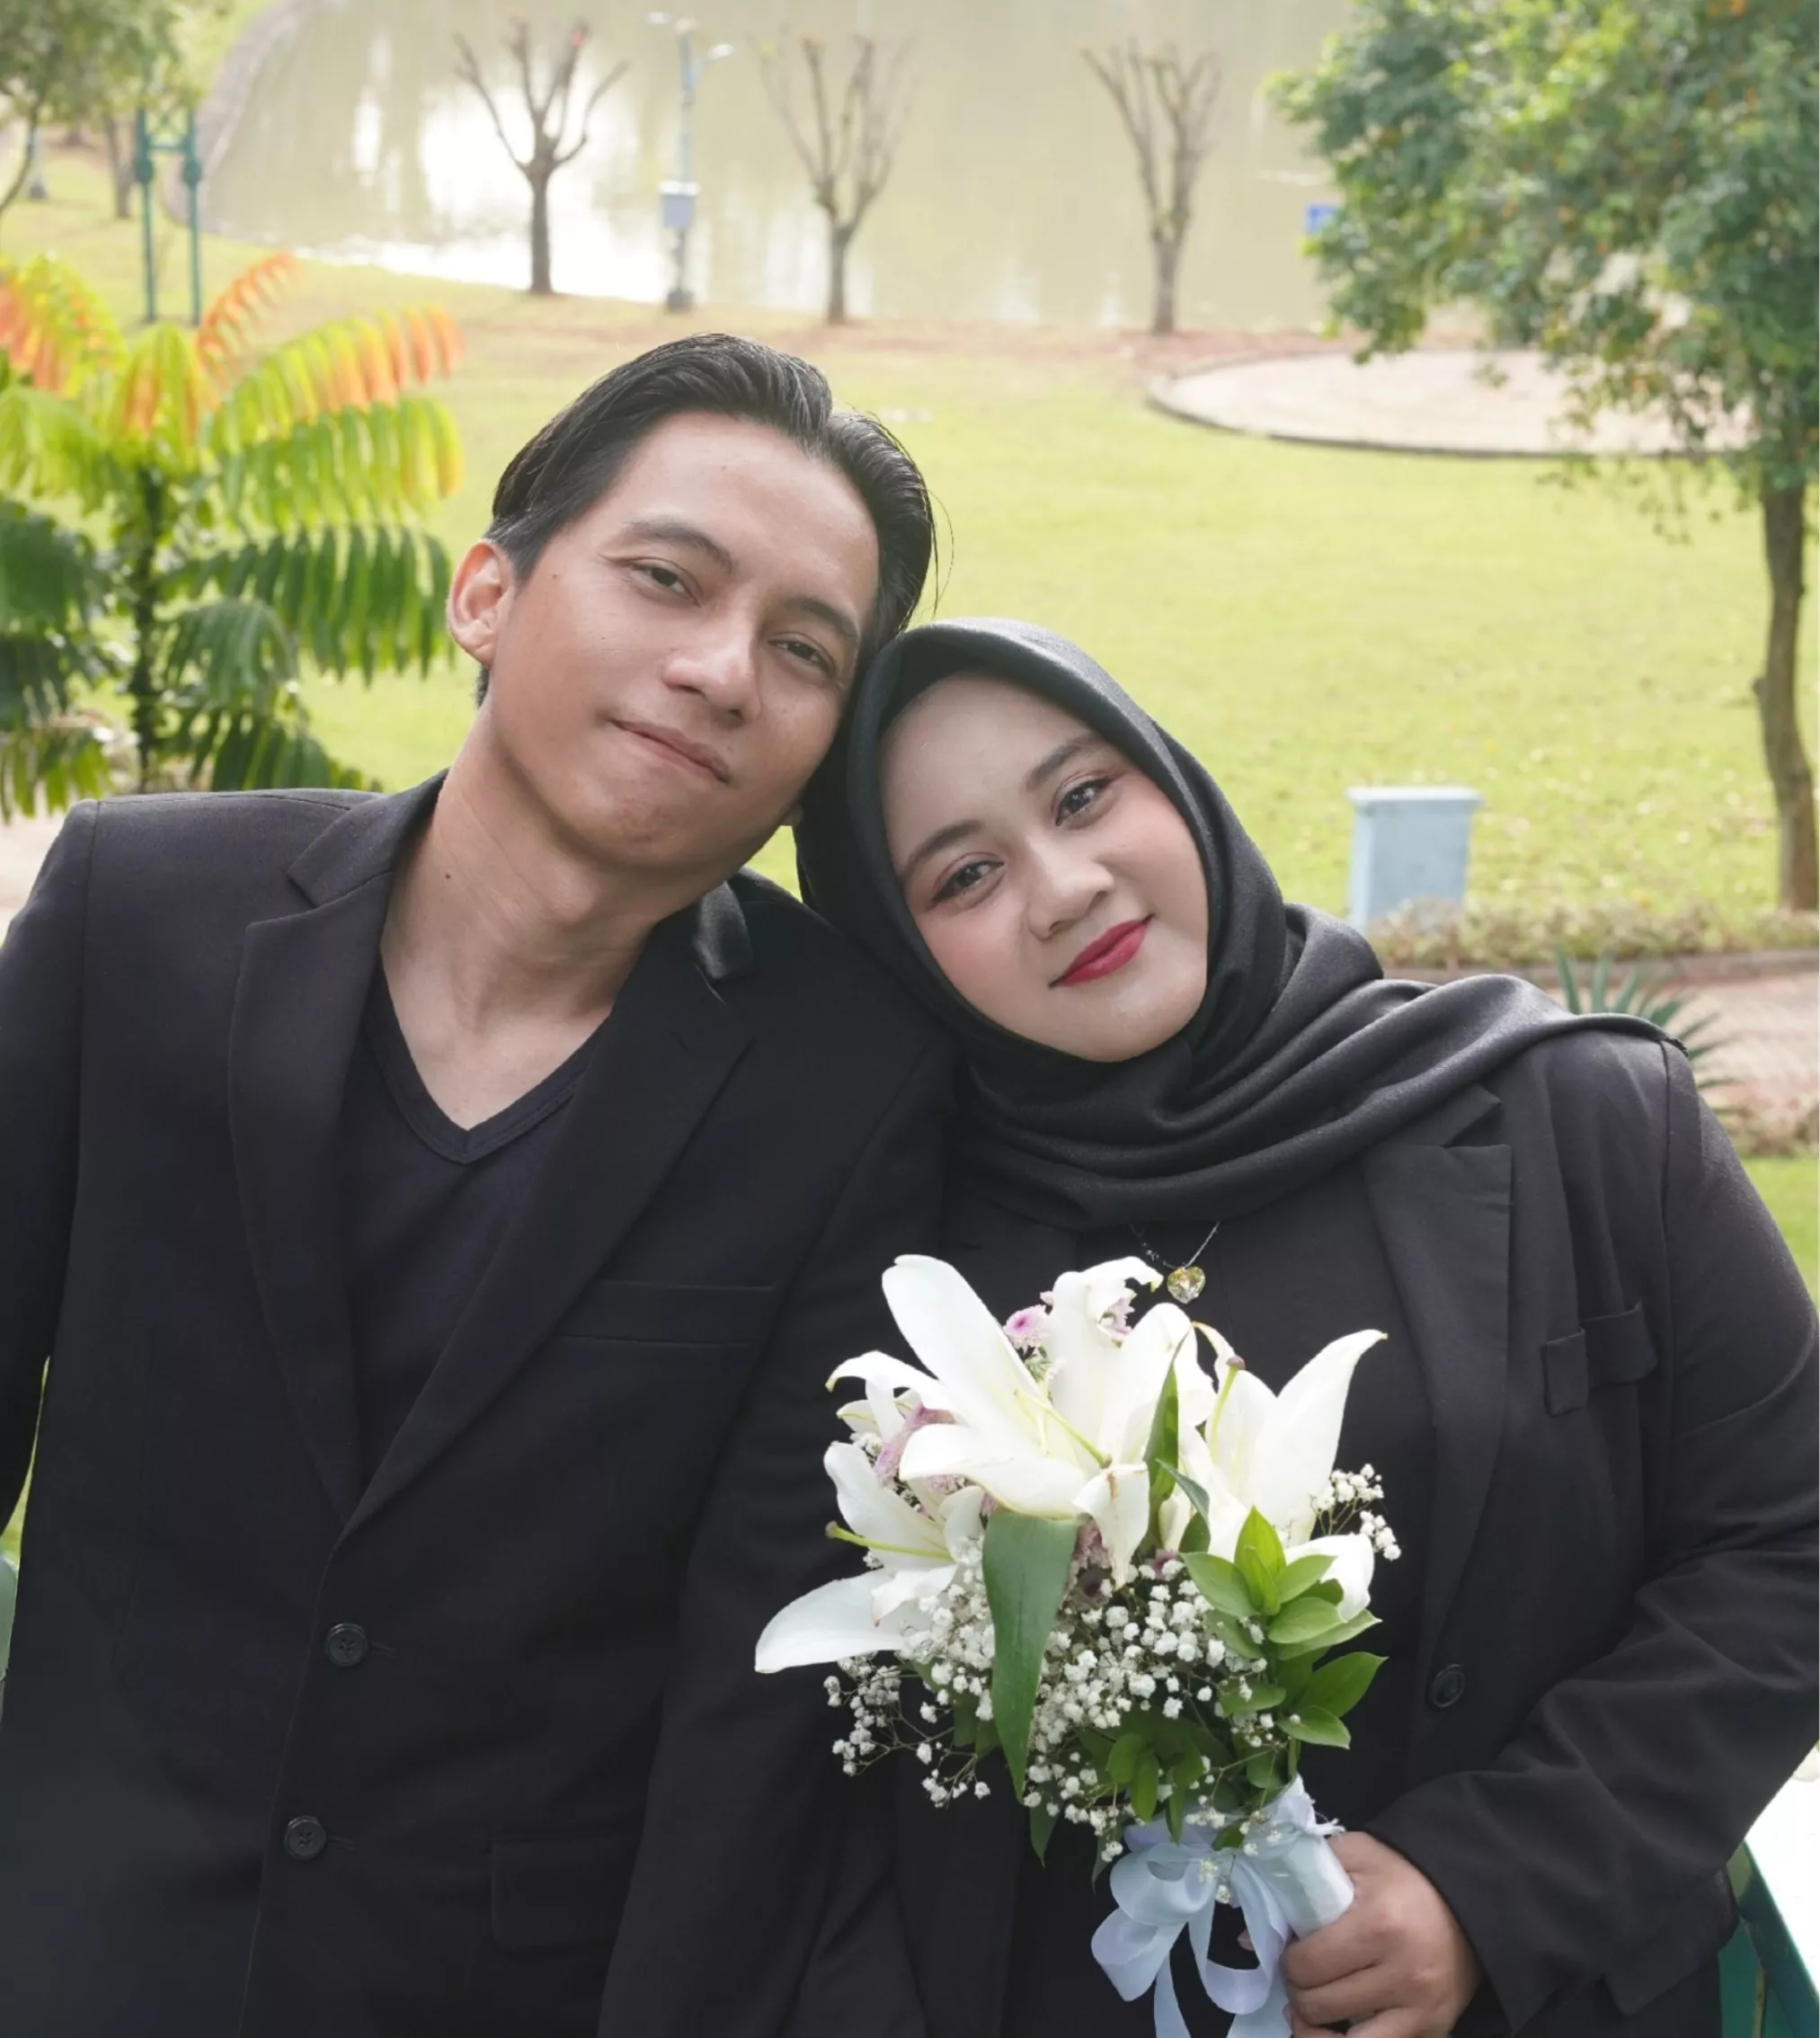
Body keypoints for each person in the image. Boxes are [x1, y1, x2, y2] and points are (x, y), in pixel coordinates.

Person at [0, 334, 953, 2038]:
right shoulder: (138, 917)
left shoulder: (848, 1086)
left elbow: (750, 1689)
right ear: (487, 593)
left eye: (805, 649)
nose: (723, 671)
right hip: (77, 1947)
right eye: (669, 578)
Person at [795, 617, 1818, 2038]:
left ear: (1175, 784)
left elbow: (1788, 1544)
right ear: (900, 950)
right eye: (964, 874)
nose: (1064, 888)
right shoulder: (907, 1278)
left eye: (1083, 795)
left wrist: (1488, 1884)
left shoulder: (1575, 1118)